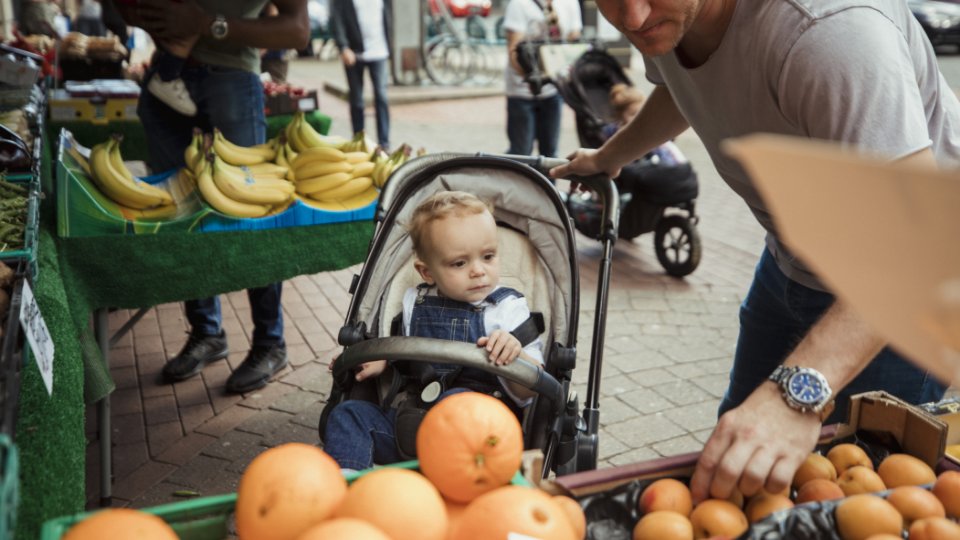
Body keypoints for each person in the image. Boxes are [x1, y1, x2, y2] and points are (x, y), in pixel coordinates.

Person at [550, 0, 960, 505]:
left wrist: (796, 396)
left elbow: (917, 247)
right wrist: (610, 157)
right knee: (741, 453)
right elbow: (680, 86)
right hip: (792, 262)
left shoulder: (832, 33)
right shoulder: (670, 20)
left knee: (859, 495)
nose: (632, 18)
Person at [116, 0, 310, 393]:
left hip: (231, 80)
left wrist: (207, 25)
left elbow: (297, 30)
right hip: (165, 80)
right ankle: (207, 332)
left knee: (252, 214)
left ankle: (270, 343)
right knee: (181, 212)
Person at [323, 191, 544, 471]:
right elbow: (407, 352)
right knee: (348, 415)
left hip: (479, 443)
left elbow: (532, 388)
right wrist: (383, 359)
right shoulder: (415, 301)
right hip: (415, 425)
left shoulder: (507, 309)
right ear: (427, 273)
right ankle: (346, 486)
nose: (478, 270)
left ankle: (441, 491)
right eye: (460, 263)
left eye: (488, 256)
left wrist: (515, 357)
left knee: (455, 404)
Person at [503, 0, 582, 157]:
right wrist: (531, 78)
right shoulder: (519, 4)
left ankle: (546, 182)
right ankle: (518, 180)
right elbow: (514, 49)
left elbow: (574, 41)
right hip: (521, 90)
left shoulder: (570, 3)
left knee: (550, 151)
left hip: (553, 88)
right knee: (521, 152)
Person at [329, 0, 391, 149]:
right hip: (354, 53)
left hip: (379, 52)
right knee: (357, 100)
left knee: (381, 96)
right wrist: (343, 46)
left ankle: (384, 142)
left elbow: (389, 17)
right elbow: (336, 19)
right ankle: (359, 140)